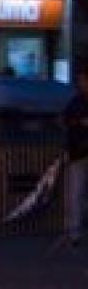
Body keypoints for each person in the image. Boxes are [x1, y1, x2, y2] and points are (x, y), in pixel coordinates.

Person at [64, 67, 88, 247]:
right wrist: (78, 122)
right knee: (75, 193)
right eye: (80, 81)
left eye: (83, 80)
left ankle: (75, 230)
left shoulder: (76, 101)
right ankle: (74, 232)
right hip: (78, 152)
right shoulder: (75, 101)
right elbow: (65, 120)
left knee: (77, 192)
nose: (81, 84)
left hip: (79, 151)